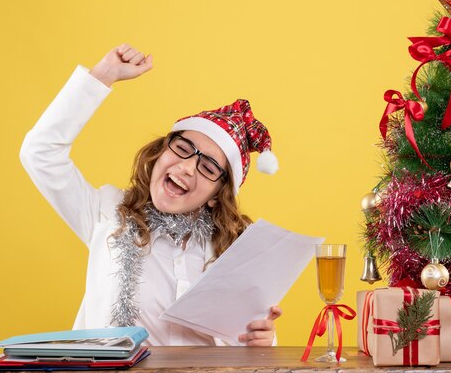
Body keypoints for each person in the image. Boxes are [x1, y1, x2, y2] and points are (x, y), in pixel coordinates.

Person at [20, 44, 282, 346]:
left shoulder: (234, 251)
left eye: (208, 167)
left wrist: (262, 341)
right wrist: (103, 75)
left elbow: (245, 344)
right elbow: (39, 153)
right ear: (160, 153)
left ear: (216, 194)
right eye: (183, 149)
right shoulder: (107, 214)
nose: (186, 168)